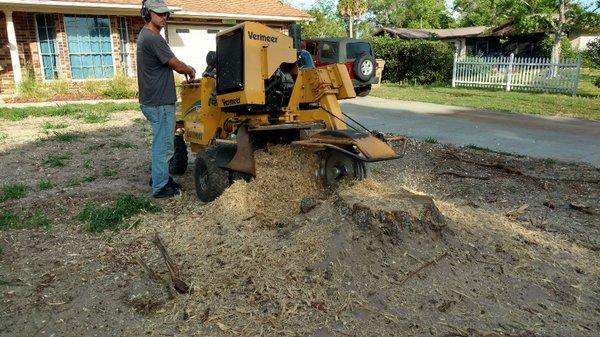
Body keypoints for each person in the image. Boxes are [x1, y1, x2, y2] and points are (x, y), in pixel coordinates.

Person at [137, 0, 196, 198]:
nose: (164, 17)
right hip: (159, 102)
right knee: (163, 147)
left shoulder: (146, 35)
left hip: (155, 101)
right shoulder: (153, 38)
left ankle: (159, 177)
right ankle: (160, 187)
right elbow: (177, 66)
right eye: (159, 13)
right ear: (147, 13)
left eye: (166, 14)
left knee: (163, 144)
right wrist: (189, 69)